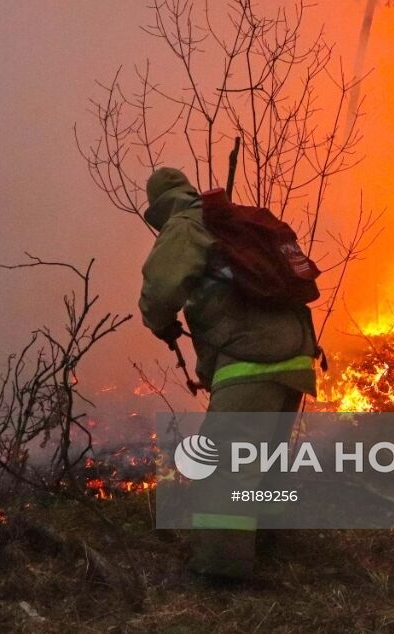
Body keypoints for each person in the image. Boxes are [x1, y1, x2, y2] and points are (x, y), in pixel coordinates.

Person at [139, 167, 318, 579]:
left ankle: (221, 572)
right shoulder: (235, 220)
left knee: (223, 468)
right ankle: (267, 549)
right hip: (295, 357)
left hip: (251, 359)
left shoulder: (185, 226)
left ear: (160, 207)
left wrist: (159, 320)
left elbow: (161, 289)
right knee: (264, 462)